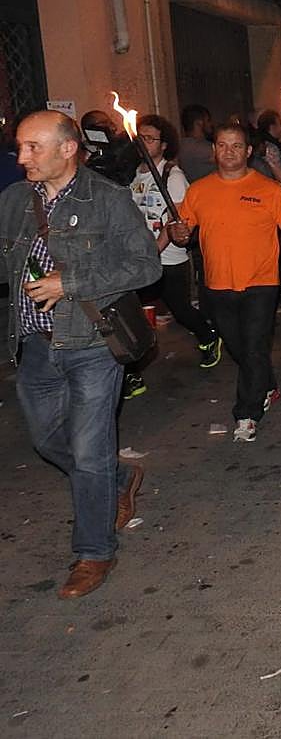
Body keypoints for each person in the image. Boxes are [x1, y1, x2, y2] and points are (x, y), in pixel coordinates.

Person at [0, 111, 161, 598]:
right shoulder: (12, 201)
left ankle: (94, 552)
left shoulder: (107, 200)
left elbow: (146, 265)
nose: (22, 156)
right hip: (33, 346)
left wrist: (70, 283)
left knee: (88, 455)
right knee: (50, 442)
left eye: (33, 147)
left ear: (68, 149)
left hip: (91, 344)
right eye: (21, 147)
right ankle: (119, 477)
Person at [167, 123, 281, 443]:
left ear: (247, 151)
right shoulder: (199, 190)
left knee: (255, 347)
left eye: (236, 146)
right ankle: (267, 384)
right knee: (239, 347)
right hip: (217, 286)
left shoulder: (269, 189)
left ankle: (246, 413)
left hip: (261, 284)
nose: (228, 151)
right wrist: (177, 233)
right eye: (222, 145)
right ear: (214, 150)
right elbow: (182, 229)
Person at [124, 114, 221, 399]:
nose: (143, 143)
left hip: (168, 257)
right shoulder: (131, 173)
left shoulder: (172, 175)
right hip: (136, 257)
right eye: (140, 137)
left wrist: (155, 249)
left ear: (164, 145)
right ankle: (131, 373)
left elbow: (176, 217)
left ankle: (207, 336)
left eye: (150, 138)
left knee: (180, 310)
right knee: (128, 317)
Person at [178, 104, 215, 183]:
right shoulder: (196, 147)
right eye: (208, 120)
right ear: (199, 123)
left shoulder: (183, 144)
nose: (211, 124)